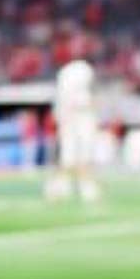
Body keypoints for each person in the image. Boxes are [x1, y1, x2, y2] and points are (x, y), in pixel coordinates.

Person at [48, 57, 101, 203]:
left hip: (75, 115)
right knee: (72, 156)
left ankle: (69, 186)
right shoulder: (79, 71)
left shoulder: (68, 73)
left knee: (75, 156)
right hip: (74, 115)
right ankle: (65, 186)